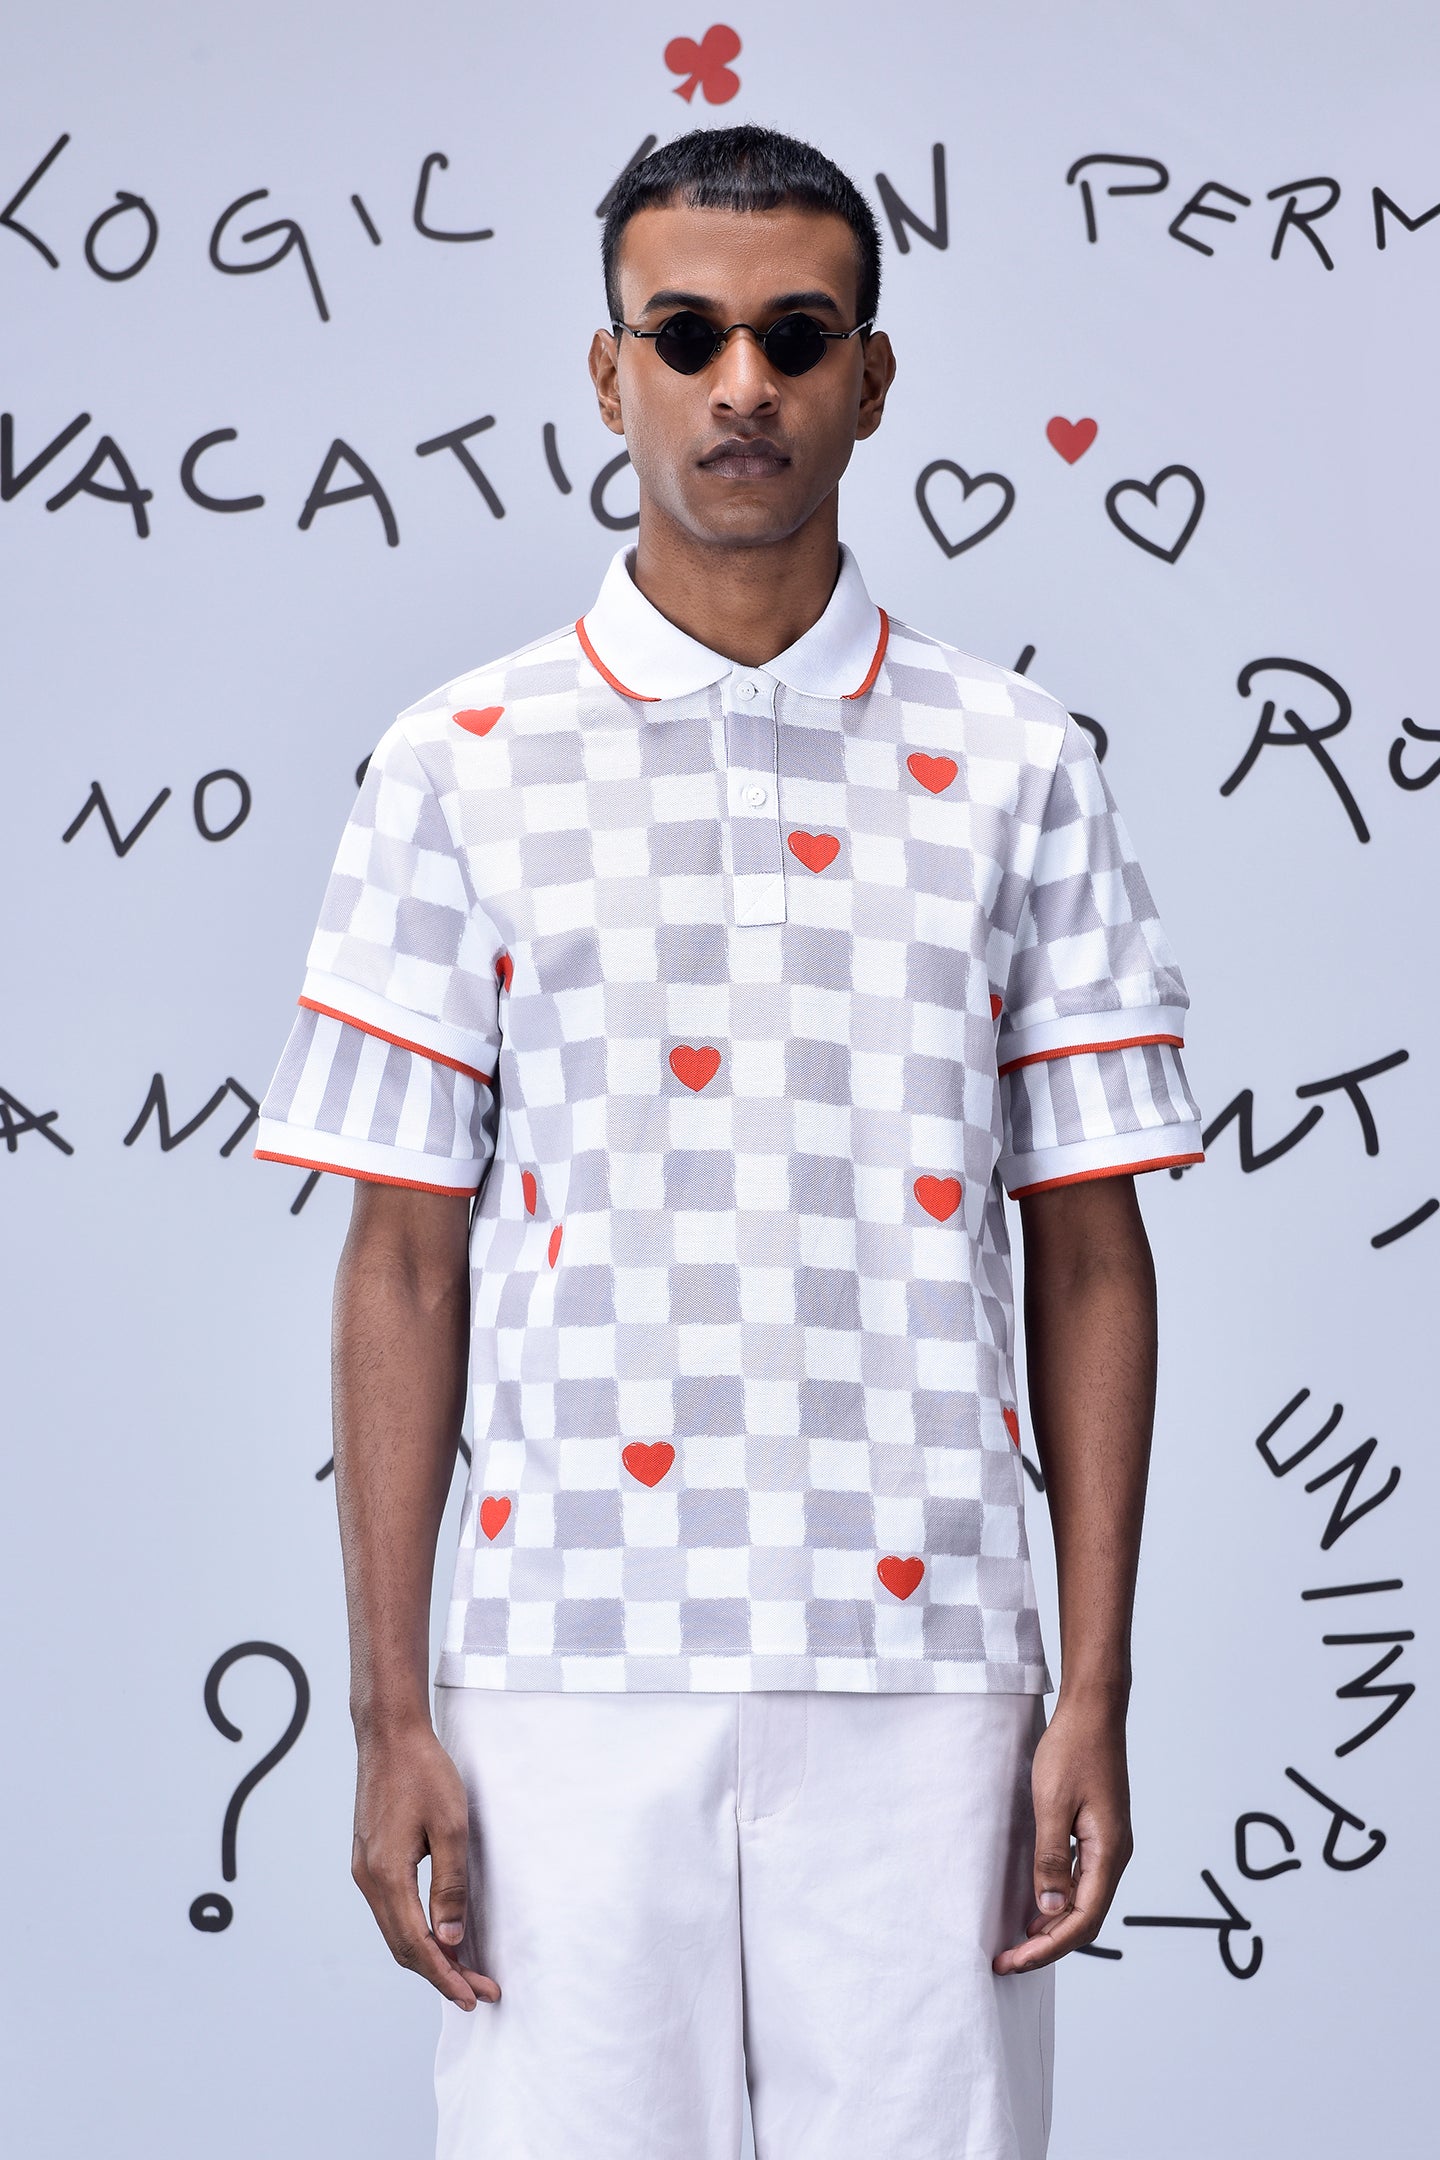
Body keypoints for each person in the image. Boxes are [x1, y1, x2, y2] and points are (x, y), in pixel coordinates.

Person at [255, 124, 1203, 2160]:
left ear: (873, 374)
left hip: (933, 1672)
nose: (742, 383)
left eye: (797, 334)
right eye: (686, 335)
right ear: (611, 374)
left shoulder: (1018, 763)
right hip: (564, 1672)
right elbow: (401, 1258)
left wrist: (1095, 1691)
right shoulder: (458, 765)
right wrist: (391, 1709)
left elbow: (1090, 1250)